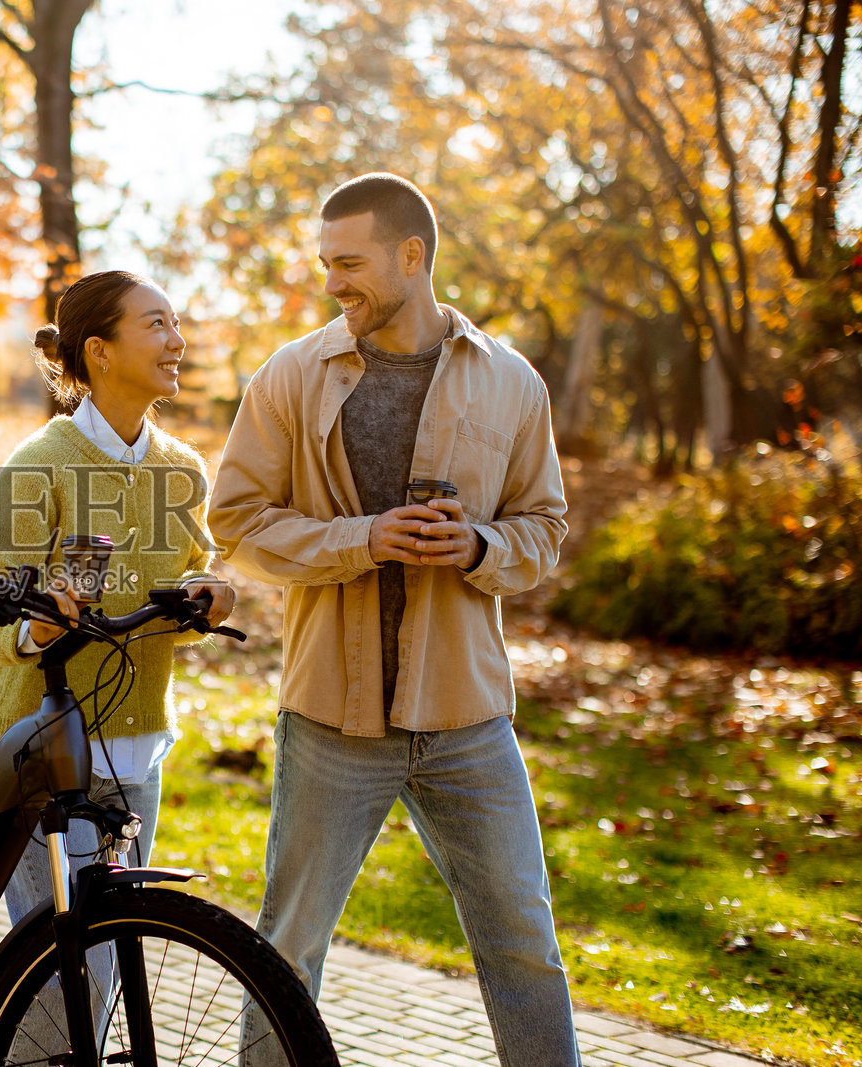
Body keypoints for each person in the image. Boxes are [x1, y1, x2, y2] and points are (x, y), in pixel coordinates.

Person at [208, 173, 581, 1066]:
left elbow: (545, 529)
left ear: (412, 257)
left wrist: (481, 547)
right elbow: (239, 523)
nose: (334, 282)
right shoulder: (292, 374)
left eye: (350, 263)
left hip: (467, 716)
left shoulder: (512, 382)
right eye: (326, 263)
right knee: (285, 949)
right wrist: (363, 537)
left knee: (524, 942)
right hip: (332, 718)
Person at [0, 269, 235, 1047]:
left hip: (136, 751)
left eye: (177, 322)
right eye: (157, 324)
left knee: (108, 967)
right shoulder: (38, 464)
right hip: (42, 751)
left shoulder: (182, 468)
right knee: (65, 978)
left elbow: (180, 589)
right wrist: (38, 626)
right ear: (100, 350)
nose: (178, 340)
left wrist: (208, 597)